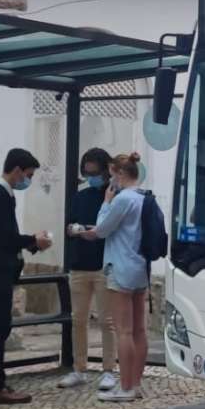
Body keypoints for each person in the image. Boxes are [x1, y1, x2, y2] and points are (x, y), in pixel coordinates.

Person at [0, 148, 52, 405]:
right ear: (16, 170)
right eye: (28, 174)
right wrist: (33, 241)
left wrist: (30, 243)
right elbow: (4, 238)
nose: (28, 180)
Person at [85, 152, 150, 402]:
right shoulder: (145, 198)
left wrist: (106, 202)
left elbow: (102, 230)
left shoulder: (123, 199)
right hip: (140, 267)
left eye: (112, 176)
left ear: (121, 174)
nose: (111, 181)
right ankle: (136, 383)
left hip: (120, 268)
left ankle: (125, 387)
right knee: (139, 330)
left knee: (124, 331)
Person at [58, 147, 119, 392]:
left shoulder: (114, 196)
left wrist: (94, 229)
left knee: (107, 321)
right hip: (79, 265)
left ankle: (108, 370)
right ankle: (79, 369)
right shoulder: (80, 197)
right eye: (87, 172)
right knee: (78, 320)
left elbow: (113, 228)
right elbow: (69, 225)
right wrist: (75, 229)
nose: (90, 176)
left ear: (106, 171)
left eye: (94, 172)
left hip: (104, 265)